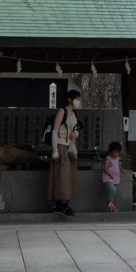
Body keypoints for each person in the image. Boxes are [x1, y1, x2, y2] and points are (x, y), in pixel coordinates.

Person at [48, 88, 82, 217]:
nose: (78, 101)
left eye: (79, 99)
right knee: (62, 176)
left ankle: (60, 203)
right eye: (76, 98)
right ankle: (63, 204)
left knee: (68, 176)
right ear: (70, 99)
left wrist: (76, 133)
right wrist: (55, 150)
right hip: (61, 146)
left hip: (70, 147)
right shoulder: (62, 111)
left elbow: (76, 129)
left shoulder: (75, 114)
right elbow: (55, 131)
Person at [101, 140, 125, 212]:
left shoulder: (117, 158)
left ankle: (111, 202)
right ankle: (110, 203)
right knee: (112, 189)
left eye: (118, 152)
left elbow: (119, 165)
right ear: (111, 151)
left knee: (114, 191)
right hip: (108, 178)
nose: (116, 154)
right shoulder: (108, 159)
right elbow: (104, 169)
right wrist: (109, 174)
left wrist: (121, 170)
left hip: (116, 177)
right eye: (115, 152)